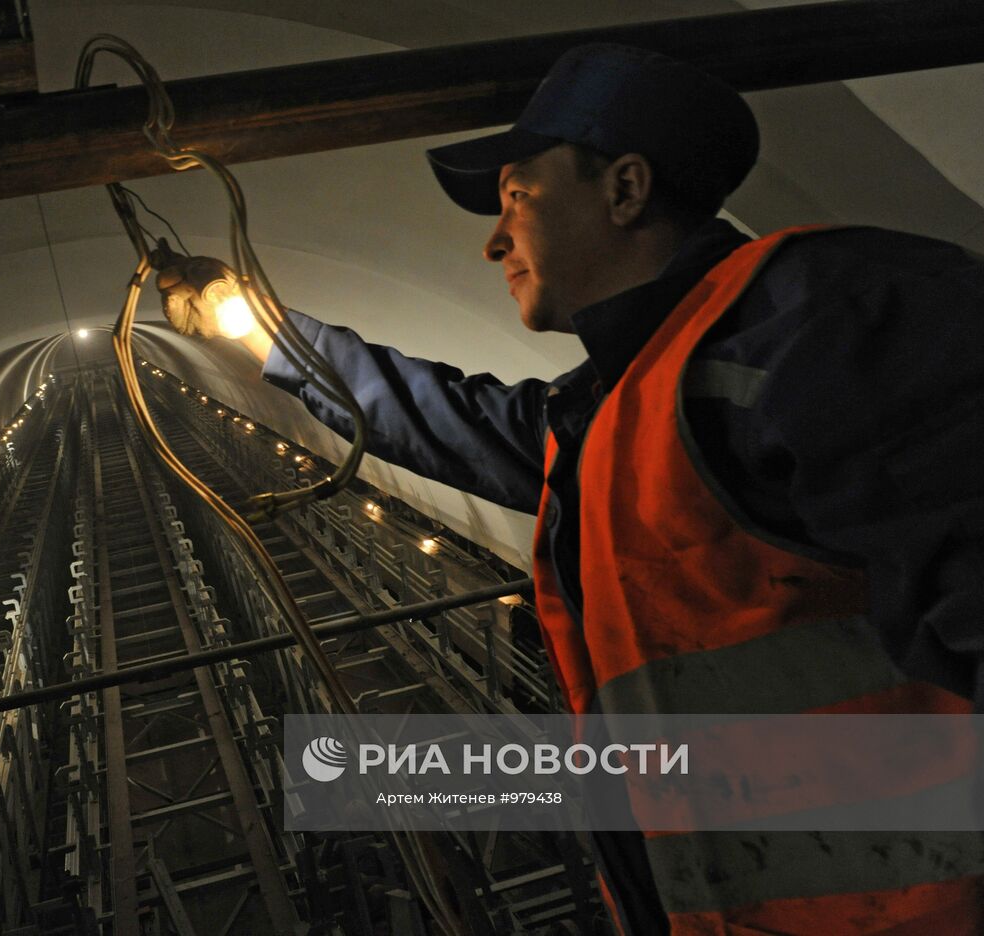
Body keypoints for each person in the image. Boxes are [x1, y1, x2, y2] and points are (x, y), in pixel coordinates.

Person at [164, 43, 984, 935]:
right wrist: (247, 321)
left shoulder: (819, 323)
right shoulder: (624, 403)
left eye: (518, 197)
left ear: (625, 189)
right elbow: (439, 415)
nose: (493, 239)